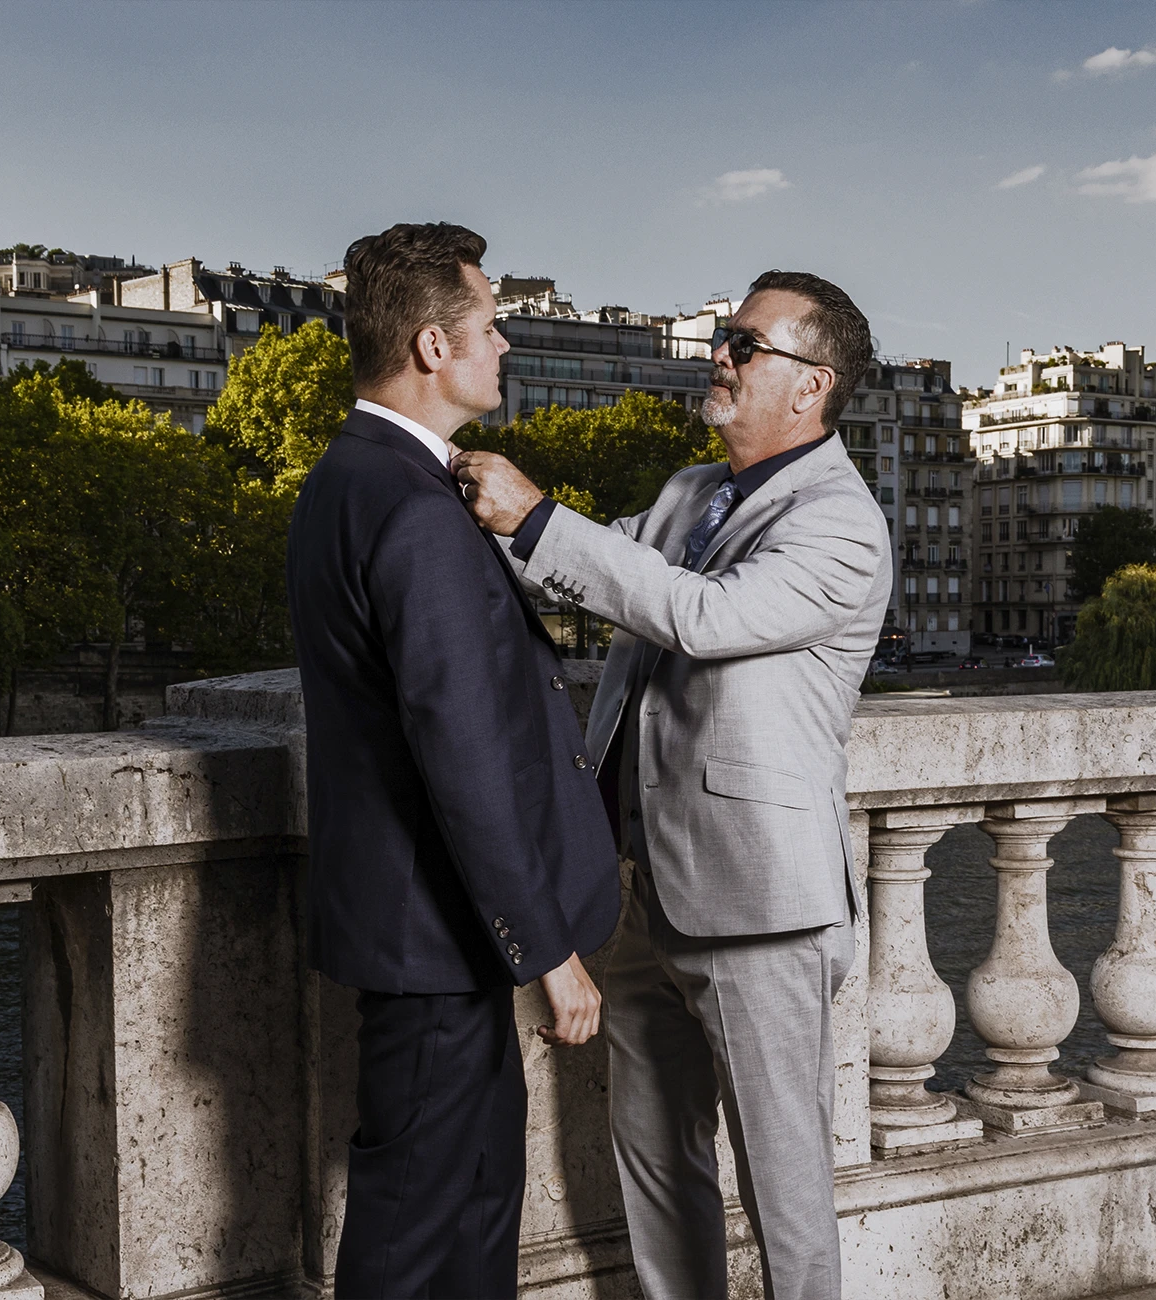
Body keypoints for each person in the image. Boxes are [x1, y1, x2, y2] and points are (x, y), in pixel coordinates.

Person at [454, 270, 891, 1300]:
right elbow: (582, 570)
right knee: (657, 1170)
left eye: (746, 345)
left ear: (811, 385)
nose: (720, 357)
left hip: (761, 905)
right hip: (640, 885)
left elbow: (701, 616)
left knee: (784, 1190)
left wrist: (537, 514)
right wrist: (457, 496)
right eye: (724, 338)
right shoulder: (694, 492)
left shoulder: (842, 523)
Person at [286, 222, 620, 1299]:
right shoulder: (416, 511)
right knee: (426, 1226)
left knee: (460, 1209)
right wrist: (547, 950)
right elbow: (463, 756)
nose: (505, 344)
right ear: (433, 346)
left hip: (414, 929)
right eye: (489, 323)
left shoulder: (350, 477)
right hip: (439, 934)